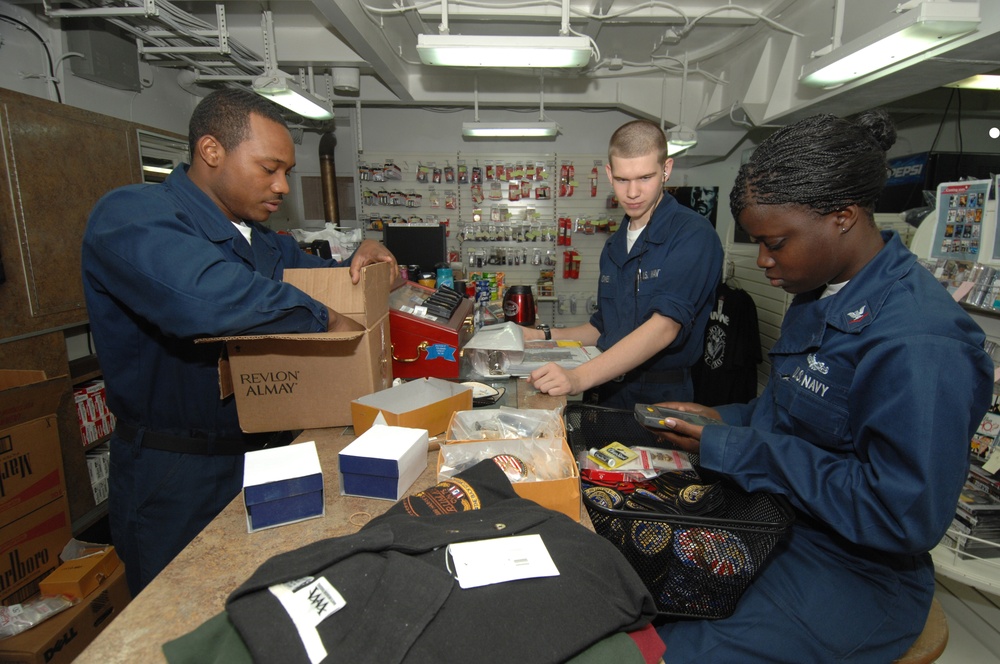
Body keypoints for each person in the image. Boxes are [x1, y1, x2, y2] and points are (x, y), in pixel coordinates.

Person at [651, 109, 993, 661]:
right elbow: (794, 415)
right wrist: (722, 419)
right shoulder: (820, 293)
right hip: (780, 523)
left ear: (842, 216)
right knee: (637, 593)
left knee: (679, 652)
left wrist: (746, 450)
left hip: (854, 571)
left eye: (776, 242)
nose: (762, 259)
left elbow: (900, 513)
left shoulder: (920, 344)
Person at [81, 88, 397, 596]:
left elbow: (337, 284)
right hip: (179, 471)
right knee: (182, 613)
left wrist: (370, 261)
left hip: (268, 452)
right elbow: (204, 301)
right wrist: (322, 317)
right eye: (269, 168)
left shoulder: (262, 240)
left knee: (273, 602)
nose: (282, 186)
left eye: (288, 172)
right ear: (211, 152)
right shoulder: (133, 215)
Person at [525, 119, 723, 408]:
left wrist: (578, 378)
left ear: (666, 169)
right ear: (609, 173)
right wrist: (541, 336)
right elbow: (603, 328)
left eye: (645, 178)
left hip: (661, 399)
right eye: (622, 179)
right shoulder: (615, 245)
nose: (632, 193)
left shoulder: (693, 235)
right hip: (608, 391)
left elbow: (665, 327)